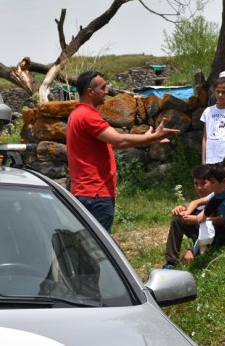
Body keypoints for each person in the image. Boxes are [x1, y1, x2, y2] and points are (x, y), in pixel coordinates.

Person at [67, 70, 179, 232]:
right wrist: (153, 138)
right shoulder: (88, 116)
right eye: (103, 87)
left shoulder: (77, 114)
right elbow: (119, 140)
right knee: (98, 249)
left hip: (85, 192)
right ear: (90, 92)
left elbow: (112, 143)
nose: (106, 91)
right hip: (96, 193)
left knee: (87, 245)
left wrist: (146, 137)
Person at [163, 164, 225, 269]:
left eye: (204, 183)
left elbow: (224, 221)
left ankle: (199, 252)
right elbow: (194, 204)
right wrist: (183, 212)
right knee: (177, 218)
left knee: (206, 224)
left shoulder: (220, 197)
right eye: (196, 183)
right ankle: (170, 263)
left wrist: (193, 250)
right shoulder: (202, 201)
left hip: (217, 237)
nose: (199, 188)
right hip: (201, 235)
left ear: (213, 182)